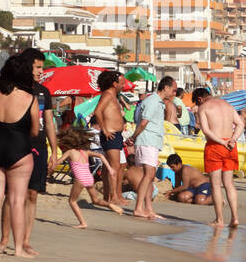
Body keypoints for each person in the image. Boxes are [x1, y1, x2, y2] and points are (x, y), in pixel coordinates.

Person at [0, 54, 40, 256]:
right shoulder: (29, 98)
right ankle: (18, 249)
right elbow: (34, 131)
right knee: (16, 200)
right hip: (18, 146)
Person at [191, 88, 243, 227]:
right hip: (231, 146)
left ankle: (219, 220)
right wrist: (232, 139)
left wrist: (221, 142)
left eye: (196, 101)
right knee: (229, 184)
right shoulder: (227, 105)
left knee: (215, 185)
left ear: (200, 99)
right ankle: (235, 218)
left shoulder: (203, 107)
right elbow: (240, 124)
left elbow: (206, 130)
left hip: (215, 146)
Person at [128, 75, 174, 220]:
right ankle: (139, 208)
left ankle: (148, 208)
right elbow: (143, 123)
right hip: (147, 140)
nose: (174, 93)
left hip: (150, 141)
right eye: (173, 90)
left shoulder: (156, 101)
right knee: (149, 174)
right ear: (165, 88)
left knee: (149, 176)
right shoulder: (153, 101)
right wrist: (133, 137)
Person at [54, 126, 120, 226]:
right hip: (89, 178)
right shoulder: (85, 152)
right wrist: (110, 169)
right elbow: (101, 156)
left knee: (72, 201)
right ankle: (110, 205)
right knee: (96, 200)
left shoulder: (70, 152)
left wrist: (50, 167)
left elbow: (57, 163)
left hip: (80, 178)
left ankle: (83, 222)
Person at [92, 70, 127, 209]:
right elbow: (97, 111)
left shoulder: (114, 96)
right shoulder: (107, 94)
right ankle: (113, 197)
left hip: (115, 135)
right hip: (110, 134)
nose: (124, 85)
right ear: (114, 83)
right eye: (122, 82)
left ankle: (108, 196)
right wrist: (105, 129)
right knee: (115, 166)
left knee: (109, 168)